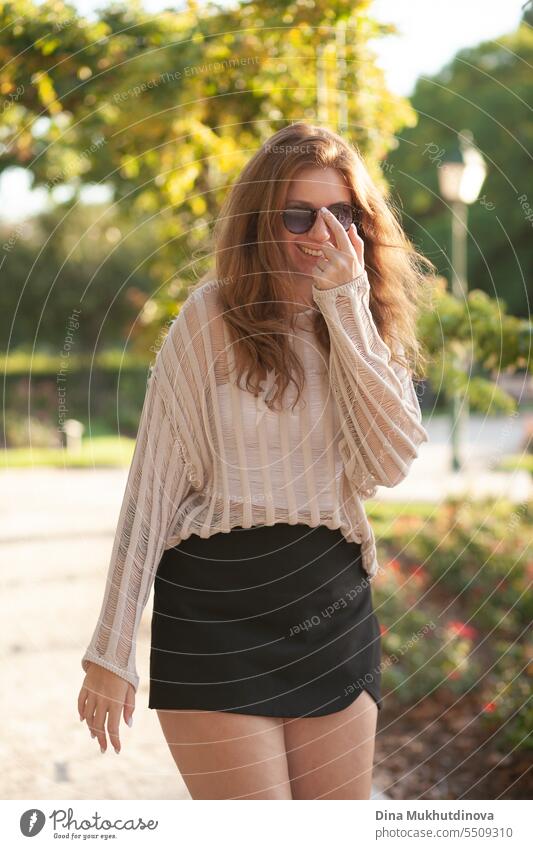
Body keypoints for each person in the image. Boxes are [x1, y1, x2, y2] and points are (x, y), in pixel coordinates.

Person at [77, 122, 433, 800]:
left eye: (340, 214)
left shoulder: (363, 326)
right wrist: (110, 648)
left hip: (332, 607)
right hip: (214, 612)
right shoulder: (209, 316)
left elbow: (390, 462)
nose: (318, 232)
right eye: (296, 213)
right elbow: (151, 488)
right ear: (259, 221)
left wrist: (345, 307)